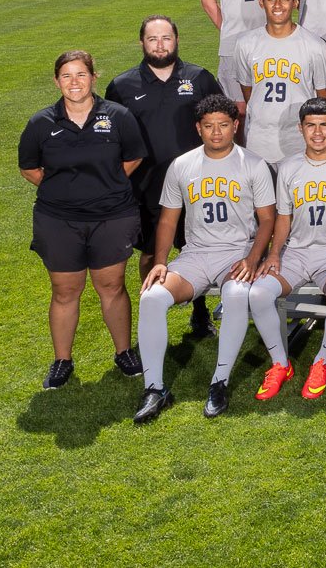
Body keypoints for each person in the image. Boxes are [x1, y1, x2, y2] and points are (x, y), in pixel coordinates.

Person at [134, 94, 279, 423]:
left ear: (235, 126)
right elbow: (168, 219)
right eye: (209, 126)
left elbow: (267, 220)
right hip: (196, 254)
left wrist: (254, 257)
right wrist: (160, 261)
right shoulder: (182, 165)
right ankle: (155, 389)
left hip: (237, 251)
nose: (217, 133)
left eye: (224, 125)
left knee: (235, 293)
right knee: (152, 298)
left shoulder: (253, 164)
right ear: (198, 128)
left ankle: (220, 381)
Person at [19, 50, 148, 389]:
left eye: (81, 75)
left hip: (112, 217)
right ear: (56, 81)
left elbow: (134, 156)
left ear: (93, 77)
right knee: (65, 290)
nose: (74, 82)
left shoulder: (118, 116)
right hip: (58, 220)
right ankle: (62, 360)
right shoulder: (41, 123)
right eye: (66, 76)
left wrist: (105, 186)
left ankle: (123, 352)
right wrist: (65, 190)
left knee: (112, 286)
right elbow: (29, 168)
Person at [105, 16, 222, 337]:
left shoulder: (199, 78)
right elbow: (113, 140)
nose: (160, 45)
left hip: (197, 187)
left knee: (196, 250)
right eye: (153, 39)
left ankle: (200, 314)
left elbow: (221, 122)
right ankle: (151, 321)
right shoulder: (122, 86)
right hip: (146, 188)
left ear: (177, 40)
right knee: (149, 255)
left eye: (166, 38)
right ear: (141, 43)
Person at [246, 99, 326, 403]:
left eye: (324, 124)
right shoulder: (288, 167)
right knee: (258, 293)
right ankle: (280, 364)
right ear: (300, 129)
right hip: (296, 253)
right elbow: (283, 218)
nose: (317, 132)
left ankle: (321, 361)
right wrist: (274, 254)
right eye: (310, 125)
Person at [233, 0, 326, 165]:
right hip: (259, 139)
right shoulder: (245, 44)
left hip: (298, 140)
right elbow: (248, 92)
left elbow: (323, 97)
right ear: (261, 2)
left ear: (295, 3)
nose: (278, 6)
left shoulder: (315, 45)